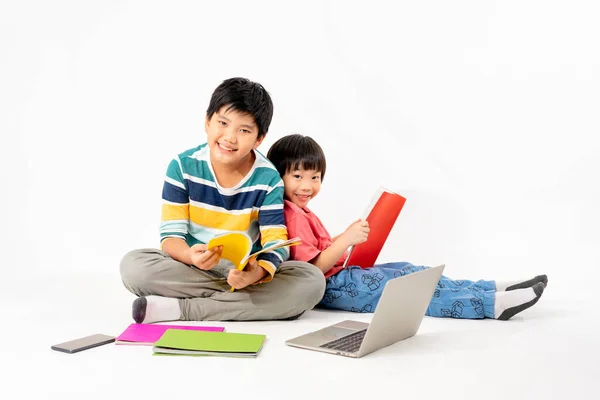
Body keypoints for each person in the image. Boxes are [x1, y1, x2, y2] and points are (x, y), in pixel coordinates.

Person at [266, 134, 547, 320]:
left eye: (315, 177)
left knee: (410, 271)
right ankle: (490, 305)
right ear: (279, 177)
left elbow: (320, 250)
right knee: (409, 290)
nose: (307, 185)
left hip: (345, 277)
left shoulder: (302, 211)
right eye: (298, 176)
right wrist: (345, 241)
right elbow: (313, 269)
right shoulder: (290, 214)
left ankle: (491, 289)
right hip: (334, 288)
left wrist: (346, 237)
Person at [120, 79, 325, 323]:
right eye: (223, 123)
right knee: (134, 266)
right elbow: (171, 236)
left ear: (259, 139)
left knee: (311, 280)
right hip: (193, 268)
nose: (230, 137)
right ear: (207, 122)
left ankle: (181, 309)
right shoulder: (182, 166)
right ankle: (244, 303)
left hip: (245, 271)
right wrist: (190, 256)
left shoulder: (268, 178)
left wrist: (255, 274)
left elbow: (277, 242)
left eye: (244, 130)